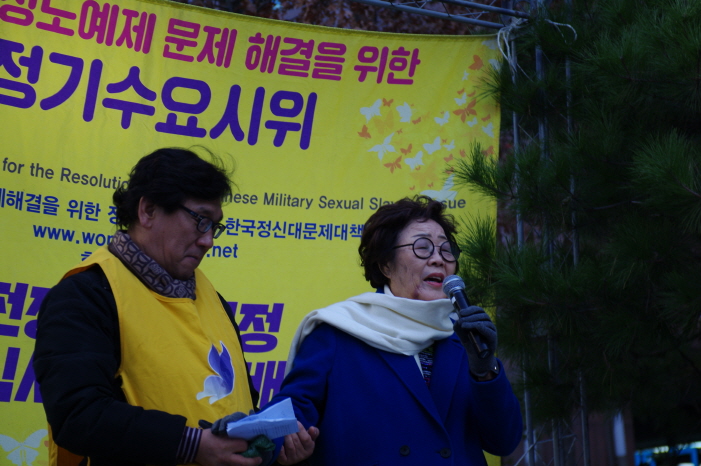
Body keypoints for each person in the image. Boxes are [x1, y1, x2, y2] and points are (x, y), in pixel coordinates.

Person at [33, 148, 317, 466]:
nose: (208, 240)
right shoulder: (85, 295)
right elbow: (77, 415)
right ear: (148, 211)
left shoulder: (213, 300)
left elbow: (239, 402)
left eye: (215, 226)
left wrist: (267, 448)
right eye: (200, 220)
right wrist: (193, 445)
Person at [264, 195, 523, 465]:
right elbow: (294, 411)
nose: (438, 259)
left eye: (447, 250)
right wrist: (265, 441)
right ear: (386, 265)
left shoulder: (465, 338)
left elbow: (503, 441)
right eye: (423, 247)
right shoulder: (337, 332)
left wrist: (485, 371)